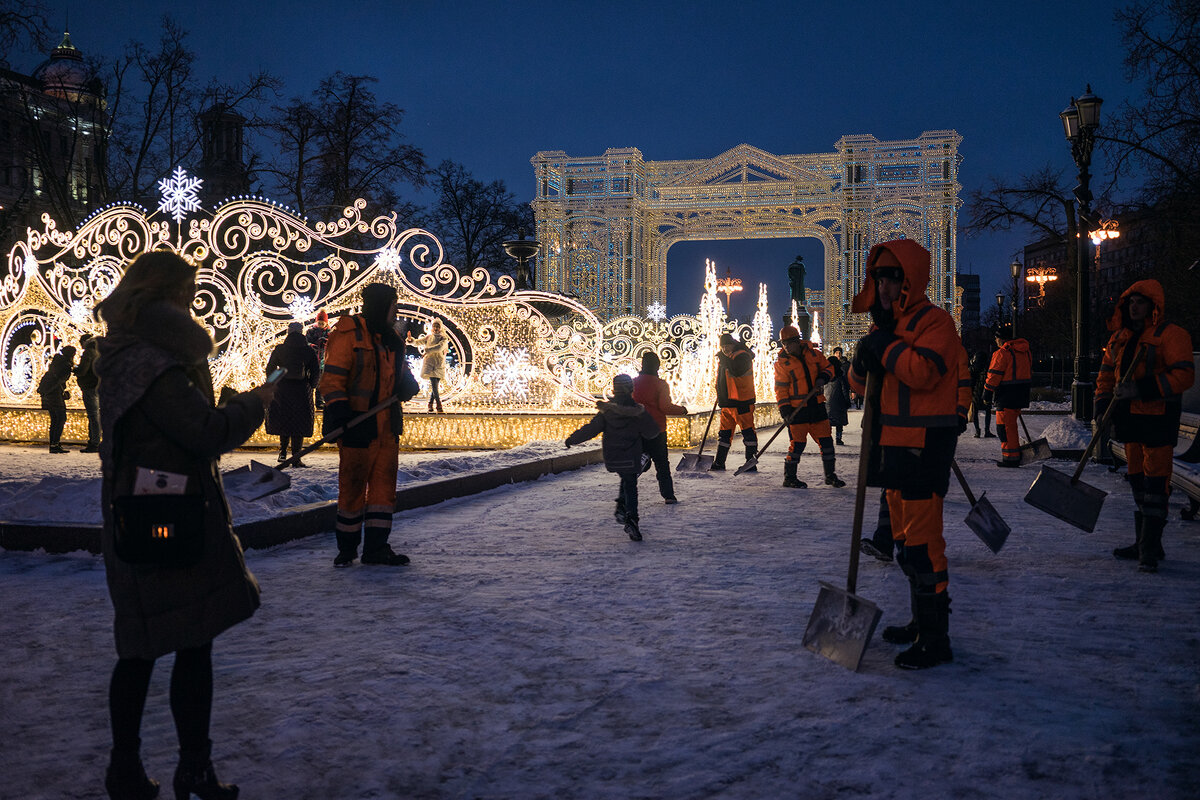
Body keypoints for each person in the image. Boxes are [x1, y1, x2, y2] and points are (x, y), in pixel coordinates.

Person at [92, 250, 276, 800]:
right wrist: (253, 404)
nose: (194, 300)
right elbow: (202, 432)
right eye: (189, 291)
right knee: (189, 644)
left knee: (144, 645)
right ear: (169, 296)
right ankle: (189, 770)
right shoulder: (155, 363)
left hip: (142, 510)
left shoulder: (126, 351)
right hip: (170, 518)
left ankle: (130, 769)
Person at [847, 239, 963, 670]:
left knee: (923, 547)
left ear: (909, 280)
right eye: (878, 277)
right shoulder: (884, 329)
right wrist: (862, 362)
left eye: (892, 277)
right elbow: (863, 387)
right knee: (902, 545)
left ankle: (936, 638)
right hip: (892, 446)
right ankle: (919, 622)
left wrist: (887, 349)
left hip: (924, 447)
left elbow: (924, 372)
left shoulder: (935, 322)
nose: (883, 286)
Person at [1095, 279, 1194, 573]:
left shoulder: (1171, 335)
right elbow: (1105, 378)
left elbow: (1184, 376)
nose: (1134, 307)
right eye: (1130, 302)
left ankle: (1149, 548)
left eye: (1140, 302)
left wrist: (1141, 389)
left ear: (1153, 306)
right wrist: (1102, 407)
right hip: (1129, 420)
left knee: (1156, 483)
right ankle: (1145, 541)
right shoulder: (1119, 339)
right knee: (1138, 479)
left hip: (1158, 418)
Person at [320, 282, 419, 567]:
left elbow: (401, 373)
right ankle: (347, 549)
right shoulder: (349, 334)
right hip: (357, 427)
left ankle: (376, 548)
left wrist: (407, 385)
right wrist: (340, 413)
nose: (395, 313)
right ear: (379, 306)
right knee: (352, 488)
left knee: (382, 492)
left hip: (387, 429)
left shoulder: (392, 340)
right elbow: (332, 380)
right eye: (392, 307)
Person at [565, 373, 661, 541]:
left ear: (614, 390)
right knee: (631, 483)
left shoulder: (606, 412)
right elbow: (652, 432)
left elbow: (591, 429)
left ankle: (621, 508)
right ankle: (631, 517)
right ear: (631, 390)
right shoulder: (637, 412)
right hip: (631, 456)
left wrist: (573, 439)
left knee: (626, 477)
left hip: (613, 457)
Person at [773, 325, 845, 489]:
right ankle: (789, 477)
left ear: (797, 341)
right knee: (797, 445)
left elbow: (829, 368)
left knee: (827, 443)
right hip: (797, 410)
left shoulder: (814, 354)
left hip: (817, 406)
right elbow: (781, 390)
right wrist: (785, 410)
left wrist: (823, 377)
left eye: (788, 343)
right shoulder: (782, 364)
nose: (786, 347)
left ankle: (830, 475)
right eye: (783, 344)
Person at [631, 351, 688, 504]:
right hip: (656, 429)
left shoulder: (633, 382)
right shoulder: (660, 384)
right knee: (662, 463)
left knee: (643, 456)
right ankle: (668, 495)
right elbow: (665, 407)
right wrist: (682, 410)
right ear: (657, 366)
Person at [265, 322, 320, 467]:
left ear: (288, 332)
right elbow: (315, 370)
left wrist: (273, 382)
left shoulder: (280, 349)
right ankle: (296, 457)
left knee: (284, 419)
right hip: (301, 389)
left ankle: (282, 452)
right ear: (302, 332)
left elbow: (270, 367)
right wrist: (312, 385)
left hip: (282, 388)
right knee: (299, 422)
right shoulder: (308, 350)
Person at [983, 323, 1032, 467]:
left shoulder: (1002, 353)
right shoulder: (1025, 351)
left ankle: (1011, 458)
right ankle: (1013, 454)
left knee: (1004, 427)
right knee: (1010, 426)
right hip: (1021, 393)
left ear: (1001, 339)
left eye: (996, 338)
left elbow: (994, 375)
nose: (995, 341)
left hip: (1006, 395)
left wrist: (987, 392)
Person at [711, 332, 757, 472]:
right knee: (724, 435)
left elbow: (737, 370)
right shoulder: (726, 358)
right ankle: (719, 463)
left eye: (727, 345)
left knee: (748, 433)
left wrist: (724, 360)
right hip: (727, 403)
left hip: (741, 402)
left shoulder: (743, 356)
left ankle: (751, 463)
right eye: (723, 346)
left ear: (733, 344)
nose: (725, 349)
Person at [38, 344, 76, 453]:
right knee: (60, 418)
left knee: (55, 419)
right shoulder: (65, 365)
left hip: (49, 392)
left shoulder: (57, 361)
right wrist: (61, 390)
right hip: (54, 393)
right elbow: (60, 380)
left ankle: (53, 444)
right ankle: (55, 444)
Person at [407, 318, 449, 413]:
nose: (435, 328)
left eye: (437, 326)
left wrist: (427, 350)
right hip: (430, 363)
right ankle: (438, 404)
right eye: (434, 326)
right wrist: (410, 340)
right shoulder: (428, 337)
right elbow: (418, 342)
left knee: (435, 385)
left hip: (438, 363)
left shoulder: (444, 338)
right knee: (434, 384)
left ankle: (430, 403)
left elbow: (439, 347)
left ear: (440, 327)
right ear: (432, 327)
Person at [75, 334, 101, 452]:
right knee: (97, 415)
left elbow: (83, 371)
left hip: (89, 386)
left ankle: (94, 442)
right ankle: (96, 441)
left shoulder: (88, 353)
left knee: (93, 415)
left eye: (81, 342)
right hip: (98, 385)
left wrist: (75, 369)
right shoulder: (99, 351)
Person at [825, 345, 852, 445]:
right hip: (839, 402)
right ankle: (838, 438)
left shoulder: (825, 375)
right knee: (839, 423)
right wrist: (847, 401)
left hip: (827, 402)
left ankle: (827, 438)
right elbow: (845, 389)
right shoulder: (841, 375)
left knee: (828, 422)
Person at [306, 310, 331, 409]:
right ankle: (309, 401)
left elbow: (333, 344)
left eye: (322, 323)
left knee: (321, 383)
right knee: (311, 381)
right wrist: (311, 345)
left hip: (323, 361)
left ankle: (319, 402)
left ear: (326, 323)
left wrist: (326, 343)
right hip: (312, 361)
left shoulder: (329, 333)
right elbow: (306, 342)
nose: (320, 324)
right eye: (319, 323)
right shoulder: (311, 331)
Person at [969, 349, 995, 438]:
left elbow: (969, 381)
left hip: (975, 392)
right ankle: (987, 431)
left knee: (975, 411)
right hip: (986, 391)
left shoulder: (973, 368)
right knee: (987, 411)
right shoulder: (988, 367)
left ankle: (977, 431)